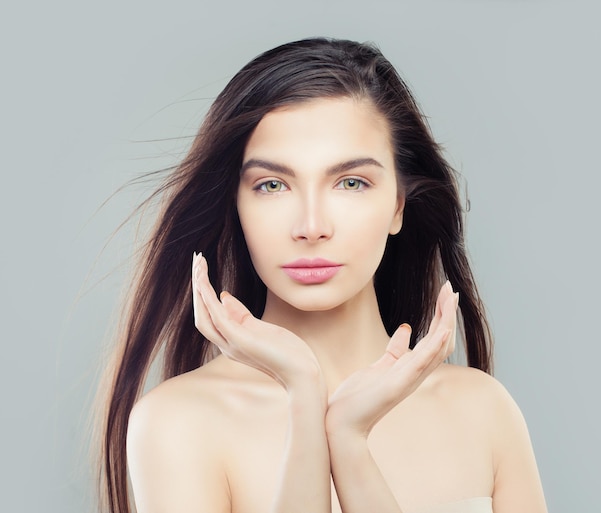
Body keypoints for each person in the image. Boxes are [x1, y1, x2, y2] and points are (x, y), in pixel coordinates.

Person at [98, 38, 547, 513]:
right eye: (272, 185)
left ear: (398, 205)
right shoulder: (178, 423)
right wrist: (302, 396)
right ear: (237, 204)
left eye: (351, 182)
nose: (311, 227)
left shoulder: (483, 412)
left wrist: (349, 444)